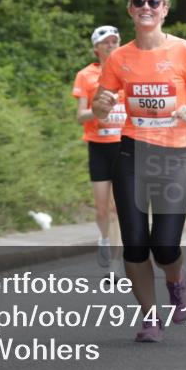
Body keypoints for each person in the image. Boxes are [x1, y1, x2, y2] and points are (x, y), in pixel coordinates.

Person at [92, 0, 186, 343]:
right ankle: (149, 317)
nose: (146, 8)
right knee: (134, 243)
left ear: (165, 10)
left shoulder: (183, 51)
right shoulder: (119, 58)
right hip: (130, 152)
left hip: (173, 156)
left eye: (153, 3)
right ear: (130, 9)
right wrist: (102, 103)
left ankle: (177, 283)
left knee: (165, 245)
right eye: (140, 2)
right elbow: (99, 106)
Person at [72, 25, 124, 276]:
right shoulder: (86, 75)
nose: (111, 45)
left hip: (123, 145)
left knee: (115, 207)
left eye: (115, 41)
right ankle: (104, 240)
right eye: (106, 42)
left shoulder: (129, 72)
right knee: (101, 207)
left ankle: (114, 265)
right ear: (96, 48)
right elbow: (81, 116)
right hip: (99, 147)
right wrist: (98, 112)